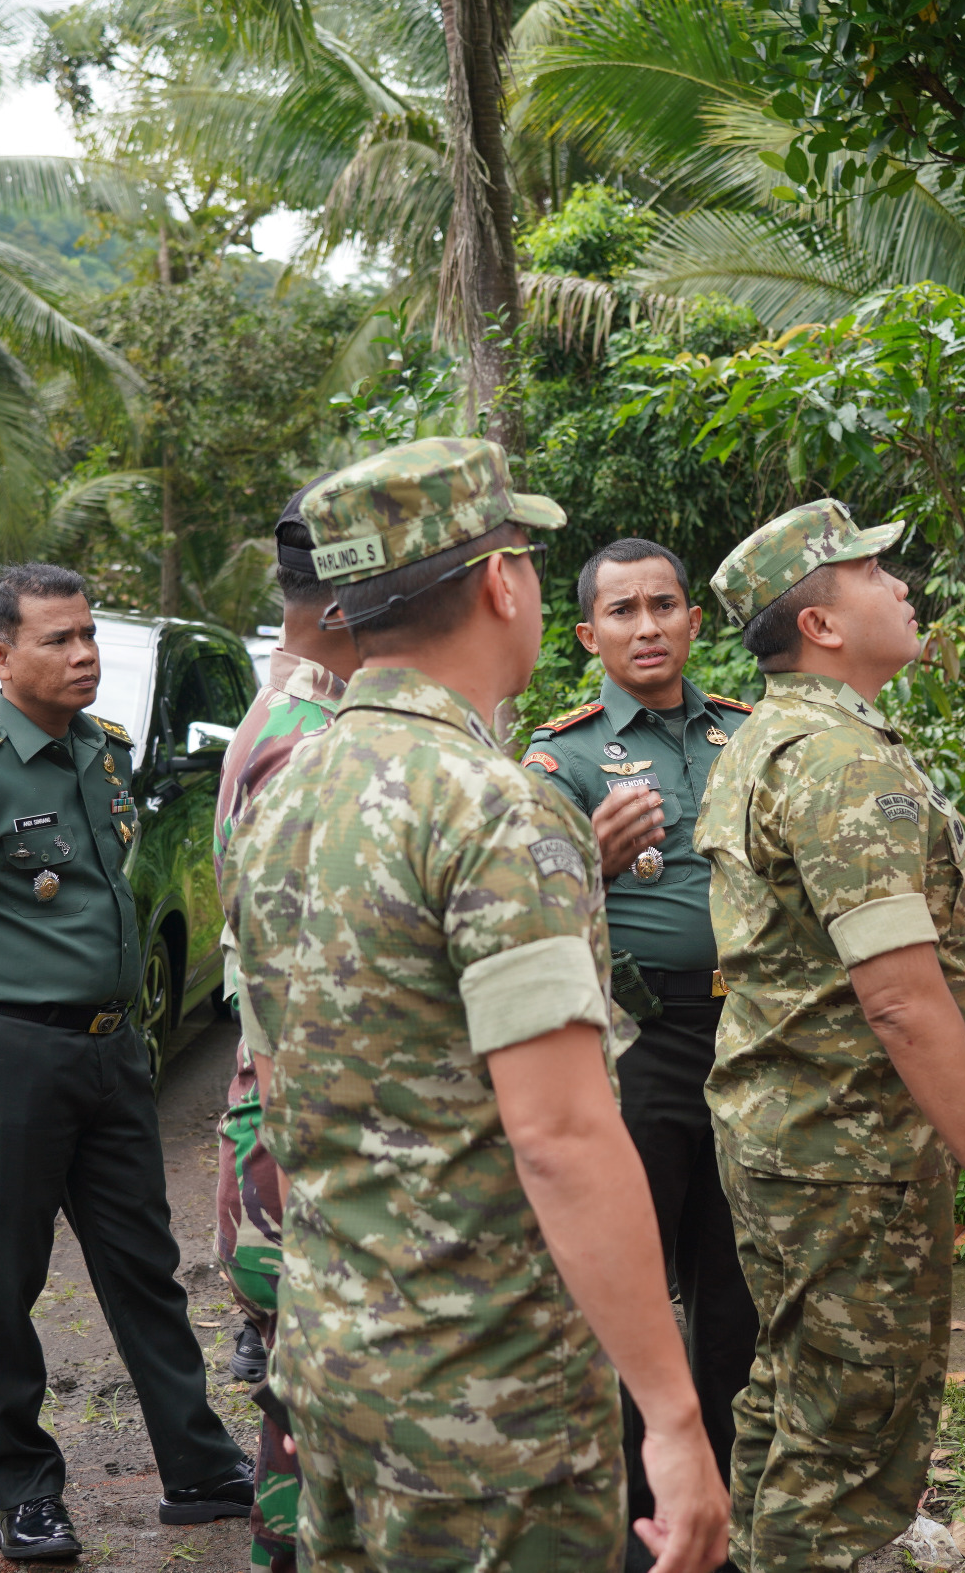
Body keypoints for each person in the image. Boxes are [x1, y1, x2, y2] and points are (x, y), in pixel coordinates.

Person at [224, 437, 728, 1573]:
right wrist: (672, 1416)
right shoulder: (495, 807)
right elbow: (561, 1135)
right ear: (503, 582)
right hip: (485, 1402)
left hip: (335, 1357)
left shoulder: (289, 787)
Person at [0, 564, 249, 1561]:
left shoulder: (102, 753)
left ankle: (199, 1465)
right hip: (9, 1054)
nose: (83, 654)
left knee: (145, 1267)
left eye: (88, 635)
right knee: (4, 1281)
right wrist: (1, 976)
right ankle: (24, 1490)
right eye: (57, 639)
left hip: (111, 1048)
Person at [695, 500, 965, 1571]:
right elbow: (898, 998)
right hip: (848, 1154)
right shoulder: (841, 762)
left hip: (792, 1137)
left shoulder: (768, 739)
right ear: (821, 625)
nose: (900, 586)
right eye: (870, 572)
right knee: (850, 1436)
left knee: (790, 1398)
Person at [521, 537, 759, 1570]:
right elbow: (522, 904)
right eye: (623, 610)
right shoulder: (560, 759)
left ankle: (719, 1518)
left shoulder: (749, 733)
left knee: (736, 1292)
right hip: (637, 1045)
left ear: (695, 622)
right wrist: (594, 858)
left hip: (750, 1039)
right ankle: (631, 1531)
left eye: (665, 605)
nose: (648, 625)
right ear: (589, 634)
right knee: (625, 1285)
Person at [211, 480, 359, 1572]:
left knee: (299, 1450)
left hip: (279, 1131)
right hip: (307, 1147)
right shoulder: (314, 740)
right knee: (318, 1460)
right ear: (353, 604)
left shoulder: (295, 717)